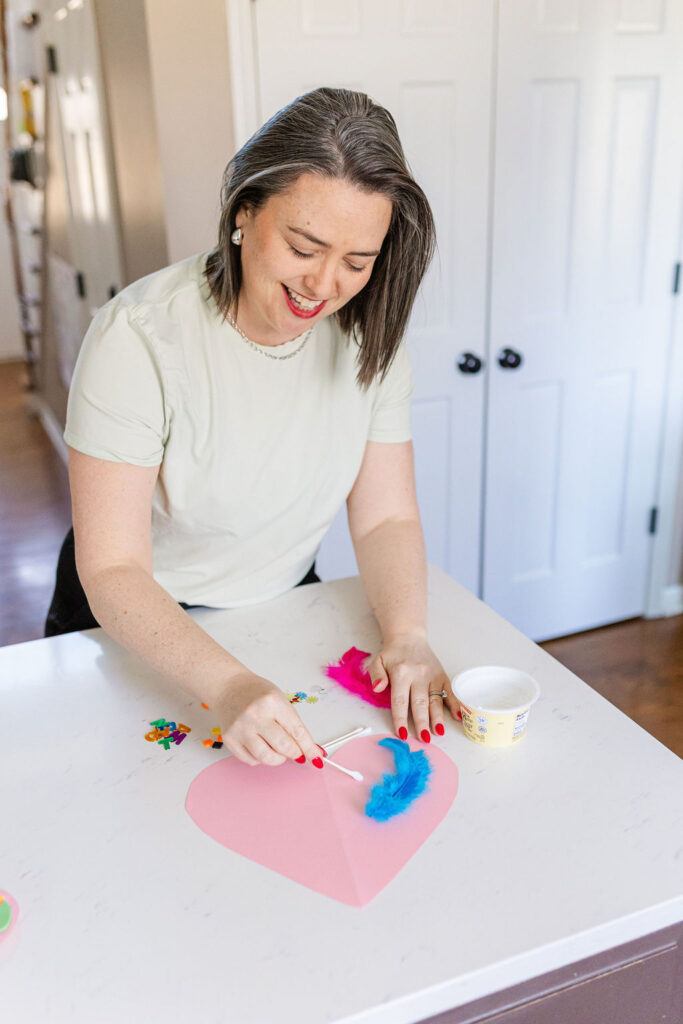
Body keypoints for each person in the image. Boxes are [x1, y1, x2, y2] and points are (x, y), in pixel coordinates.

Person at [45, 86, 461, 768]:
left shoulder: (369, 337)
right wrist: (227, 683)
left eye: (358, 262)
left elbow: (385, 517)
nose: (324, 284)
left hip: (279, 603)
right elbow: (114, 566)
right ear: (243, 211)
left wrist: (408, 634)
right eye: (304, 245)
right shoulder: (139, 336)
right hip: (133, 621)